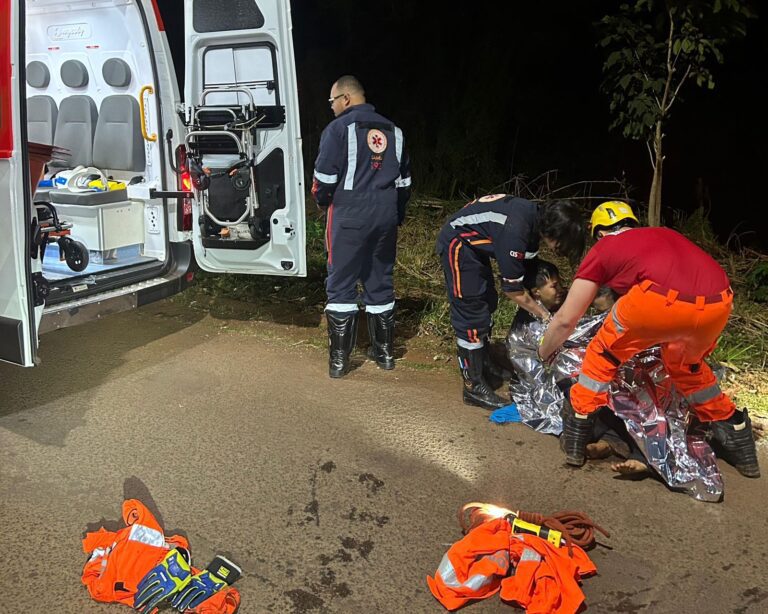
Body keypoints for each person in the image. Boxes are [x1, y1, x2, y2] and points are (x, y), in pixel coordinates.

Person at [538, 201, 760, 477]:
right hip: (720, 301)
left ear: (598, 232)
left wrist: (544, 351)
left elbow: (566, 320)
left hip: (661, 301)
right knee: (687, 367)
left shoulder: (604, 248)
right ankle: (738, 436)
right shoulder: (662, 234)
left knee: (602, 354)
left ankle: (577, 430)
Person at [436, 195, 585, 409]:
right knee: (471, 309)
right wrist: (545, 316)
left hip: (475, 247)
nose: (559, 249)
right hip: (458, 244)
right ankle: (473, 385)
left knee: (487, 300)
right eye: (561, 242)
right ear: (553, 231)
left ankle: (484, 364)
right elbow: (513, 289)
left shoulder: (534, 221)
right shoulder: (516, 231)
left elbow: (526, 270)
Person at [312, 75, 412, 378]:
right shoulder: (394, 131)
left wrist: (322, 201)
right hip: (384, 215)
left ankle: (340, 362)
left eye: (331, 101)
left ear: (345, 98)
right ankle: (385, 355)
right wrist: (395, 214)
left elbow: (324, 179)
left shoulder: (338, 129)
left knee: (341, 283)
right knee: (380, 279)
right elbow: (405, 183)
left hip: (349, 216)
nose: (331, 108)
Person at [510, 259, 565, 331]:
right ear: (536, 292)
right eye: (554, 286)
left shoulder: (566, 300)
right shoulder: (529, 324)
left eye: (560, 284)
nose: (560, 289)